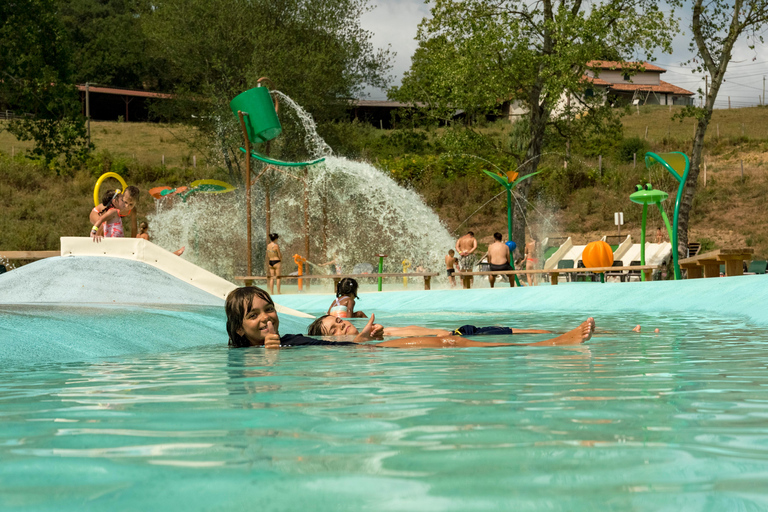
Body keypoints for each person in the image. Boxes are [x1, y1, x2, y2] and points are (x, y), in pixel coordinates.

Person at [226, 286, 595, 349]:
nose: (266, 318)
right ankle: (552, 344)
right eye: (253, 316)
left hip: (366, 352)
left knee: (453, 340)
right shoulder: (264, 352)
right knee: (452, 341)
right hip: (370, 355)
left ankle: (548, 341)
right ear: (239, 330)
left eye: (267, 309)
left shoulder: (288, 341)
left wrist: (357, 339)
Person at [308, 315, 554, 338]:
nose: (342, 325)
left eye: (338, 321)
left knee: (516, 332)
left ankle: (560, 332)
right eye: (335, 329)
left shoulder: (371, 332)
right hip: (457, 338)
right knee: (514, 337)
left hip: (459, 332)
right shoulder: (365, 344)